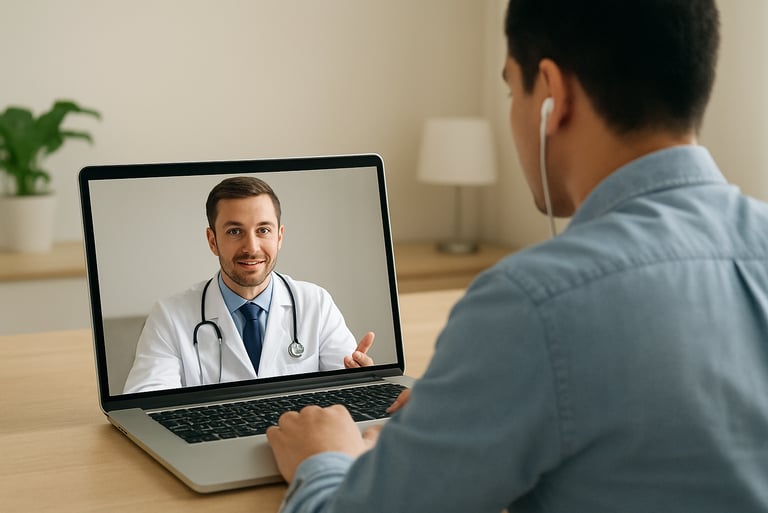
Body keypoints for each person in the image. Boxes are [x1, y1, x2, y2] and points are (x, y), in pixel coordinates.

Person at [266, 1, 768, 511]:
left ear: (552, 93)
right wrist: (465, 408)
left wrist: (322, 458)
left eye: (511, 89)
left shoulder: (534, 303)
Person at [123, 176, 374, 393]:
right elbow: (145, 405)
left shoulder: (315, 303)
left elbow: (345, 391)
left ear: (279, 236)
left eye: (263, 230)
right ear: (212, 241)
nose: (251, 248)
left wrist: (360, 381)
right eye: (234, 231)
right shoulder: (168, 316)